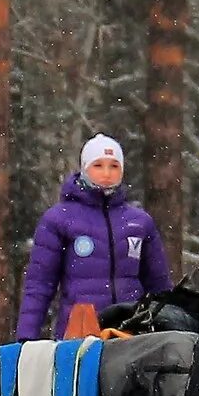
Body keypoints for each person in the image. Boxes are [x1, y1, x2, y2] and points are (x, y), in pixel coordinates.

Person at [15, 134, 174, 342]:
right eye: (98, 165)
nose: (107, 173)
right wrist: (26, 337)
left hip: (131, 334)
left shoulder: (140, 222)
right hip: (80, 333)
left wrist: (170, 328)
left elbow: (159, 286)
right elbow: (40, 285)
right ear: (84, 168)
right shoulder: (59, 219)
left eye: (114, 166)